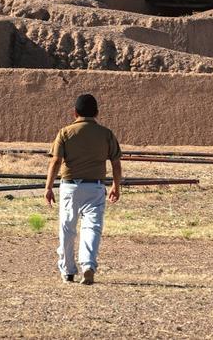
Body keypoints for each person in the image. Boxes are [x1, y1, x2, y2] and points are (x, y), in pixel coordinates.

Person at [43, 93, 122, 285]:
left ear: (74, 112)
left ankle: (68, 271)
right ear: (97, 113)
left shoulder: (65, 133)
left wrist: (48, 187)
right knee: (92, 228)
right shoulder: (106, 134)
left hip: (70, 187)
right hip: (95, 187)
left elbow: (56, 161)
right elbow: (116, 162)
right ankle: (88, 265)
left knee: (67, 229)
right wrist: (116, 185)